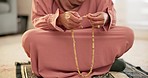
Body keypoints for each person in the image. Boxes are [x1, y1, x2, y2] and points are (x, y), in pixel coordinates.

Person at [22, 0, 134, 78]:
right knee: (29, 38)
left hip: (91, 37)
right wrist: (59, 19)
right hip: (59, 36)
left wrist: (105, 17)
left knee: (127, 34)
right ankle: (102, 63)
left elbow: (110, 13)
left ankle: (55, 64)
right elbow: (38, 20)